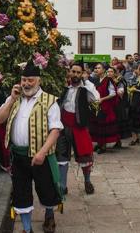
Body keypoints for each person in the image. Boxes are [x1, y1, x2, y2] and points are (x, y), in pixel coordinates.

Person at [0, 61, 63, 233]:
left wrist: (42, 152)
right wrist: (11, 99)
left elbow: (55, 130)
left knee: (47, 190)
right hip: (18, 156)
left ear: (38, 81)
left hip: (41, 157)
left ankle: (49, 216)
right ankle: (27, 228)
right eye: (24, 79)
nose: (26, 83)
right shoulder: (14, 99)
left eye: (30, 80)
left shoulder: (50, 101)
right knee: (21, 192)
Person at [57, 63, 99, 196]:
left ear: (82, 74)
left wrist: (86, 83)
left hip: (79, 127)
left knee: (85, 157)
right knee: (62, 157)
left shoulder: (86, 89)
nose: (75, 75)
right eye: (73, 72)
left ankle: (87, 181)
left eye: (78, 73)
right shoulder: (63, 88)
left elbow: (96, 99)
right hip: (63, 127)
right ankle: (63, 186)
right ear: (69, 72)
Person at [89, 63, 118, 153]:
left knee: (103, 126)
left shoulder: (108, 80)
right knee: (97, 125)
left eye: (99, 68)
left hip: (105, 107)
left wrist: (102, 99)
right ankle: (99, 143)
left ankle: (103, 146)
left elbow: (113, 93)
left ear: (104, 70)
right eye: (96, 68)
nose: (96, 69)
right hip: (97, 106)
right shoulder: (97, 79)